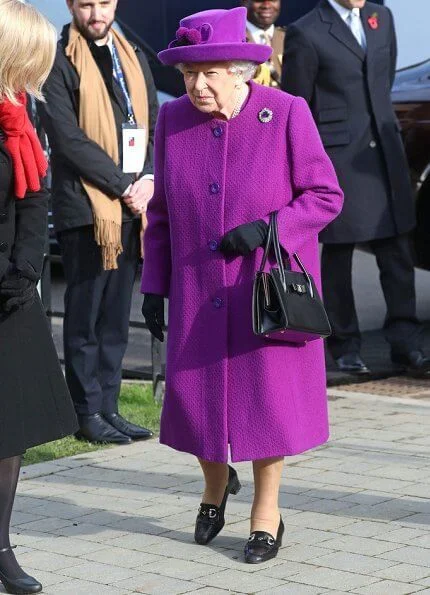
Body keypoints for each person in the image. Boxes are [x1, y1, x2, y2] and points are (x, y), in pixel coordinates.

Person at [141, 7, 343, 563]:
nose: (198, 86)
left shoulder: (285, 114)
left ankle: (266, 514)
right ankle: (214, 486)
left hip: (264, 291)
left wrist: (269, 228)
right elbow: (160, 212)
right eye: (187, 75)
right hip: (196, 290)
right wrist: (153, 285)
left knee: (266, 404)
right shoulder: (173, 120)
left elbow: (326, 196)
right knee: (195, 401)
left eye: (209, 73)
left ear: (240, 70)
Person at [282, 0, 430, 376]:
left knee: (396, 252)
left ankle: (405, 342)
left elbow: (383, 81)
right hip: (338, 163)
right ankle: (345, 346)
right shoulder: (307, 30)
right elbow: (295, 105)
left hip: (384, 157)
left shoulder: (381, 18)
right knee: (339, 256)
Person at [38, 0, 159, 444]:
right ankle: (85, 412)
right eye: (86, 4)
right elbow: (66, 137)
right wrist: (122, 184)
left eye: (103, 3)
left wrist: (146, 176)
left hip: (129, 205)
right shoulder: (58, 58)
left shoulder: (133, 53)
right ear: (71, 6)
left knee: (114, 315)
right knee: (85, 315)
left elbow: (151, 122)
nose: (96, 13)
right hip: (86, 206)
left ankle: (110, 405)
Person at [0, 1, 78, 593]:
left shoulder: (20, 114)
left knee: (12, 425)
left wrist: (25, 265)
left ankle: (0, 548)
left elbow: (33, 196)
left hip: (11, 292)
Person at [242, 0, 285, 87]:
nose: (267, 5)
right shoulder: (235, 39)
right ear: (245, 2)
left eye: (273, 0)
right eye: (260, 0)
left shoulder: (289, 38)